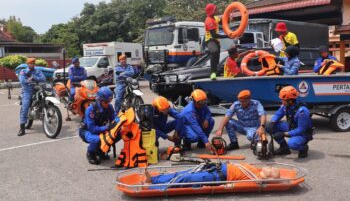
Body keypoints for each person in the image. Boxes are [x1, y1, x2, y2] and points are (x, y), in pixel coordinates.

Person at [144, 163, 280, 189]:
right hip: (218, 168)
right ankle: (154, 179)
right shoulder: (256, 169)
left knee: (186, 179)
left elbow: (239, 185)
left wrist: (229, 186)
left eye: (272, 170)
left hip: (218, 176)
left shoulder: (256, 179)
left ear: (270, 179)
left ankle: (154, 186)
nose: (270, 167)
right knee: (185, 173)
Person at [266, 86, 313, 158]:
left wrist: (284, 134)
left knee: (292, 144)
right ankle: (284, 148)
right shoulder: (286, 105)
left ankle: (303, 148)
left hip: (303, 133)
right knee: (269, 126)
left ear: (290, 100)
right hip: (292, 126)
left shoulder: (302, 112)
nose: (282, 101)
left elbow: (301, 130)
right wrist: (273, 121)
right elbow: (278, 113)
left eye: (283, 100)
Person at [80, 87, 120, 164]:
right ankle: (90, 153)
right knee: (97, 139)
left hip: (100, 129)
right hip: (86, 131)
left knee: (119, 133)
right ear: (99, 100)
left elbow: (115, 118)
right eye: (106, 102)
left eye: (109, 101)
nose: (108, 104)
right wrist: (105, 128)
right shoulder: (90, 110)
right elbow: (92, 129)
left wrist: (120, 119)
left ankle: (101, 151)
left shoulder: (109, 107)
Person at [18, 58, 46, 136]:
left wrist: (35, 78)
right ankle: (22, 128)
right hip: (27, 91)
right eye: (31, 63)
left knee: (47, 99)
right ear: (27, 64)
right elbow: (22, 81)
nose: (32, 64)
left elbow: (43, 78)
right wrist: (29, 80)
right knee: (25, 107)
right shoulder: (23, 71)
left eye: (33, 63)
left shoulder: (38, 71)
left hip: (38, 89)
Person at [204, 3, 228, 80]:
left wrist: (228, 17)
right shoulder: (209, 21)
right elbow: (214, 35)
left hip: (216, 41)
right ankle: (212, 74)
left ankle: (215, 72)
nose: (216, 10)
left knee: (217, 60)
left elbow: (222, 21)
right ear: (212, 11)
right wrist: (227, 36)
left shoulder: (215, 18)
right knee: (214, 51)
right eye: (215, 9)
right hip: (210, 40)